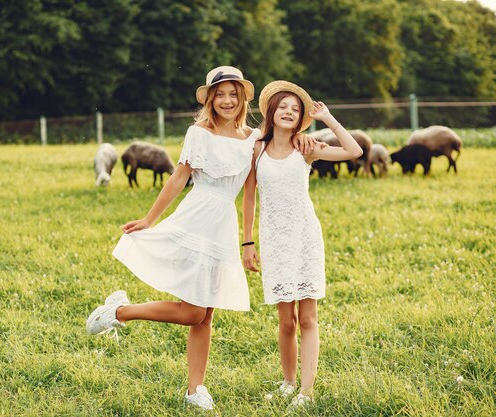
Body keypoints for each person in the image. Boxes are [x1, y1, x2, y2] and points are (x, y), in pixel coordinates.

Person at [86, 66, 261, 411]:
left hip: (223, 226)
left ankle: (195, 389)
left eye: (233, 94)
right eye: (220, 94)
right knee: (193, 313)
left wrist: (248, 241)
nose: (227, 100)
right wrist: (150, 219)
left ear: (242, 98)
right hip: (196, 220)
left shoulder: (253, 139)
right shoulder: (198, 133)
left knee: (205, 314)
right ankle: (120, 311)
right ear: (210, 98)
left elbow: (250, 194)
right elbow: (179, 178)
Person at [242, 81, 362, 407]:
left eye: (295, 109)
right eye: (283, 106)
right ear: (271, 111)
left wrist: (328, 119)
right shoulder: (257, 148)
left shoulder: (305, 148)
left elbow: (355, 151)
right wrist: (248, 242)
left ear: (300, 119)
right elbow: (249, 196)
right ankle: (288, 382)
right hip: (274, 239)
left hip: (305, 236)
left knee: (307, 318)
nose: (289, 112)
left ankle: (306, 392)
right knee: (285, 321)